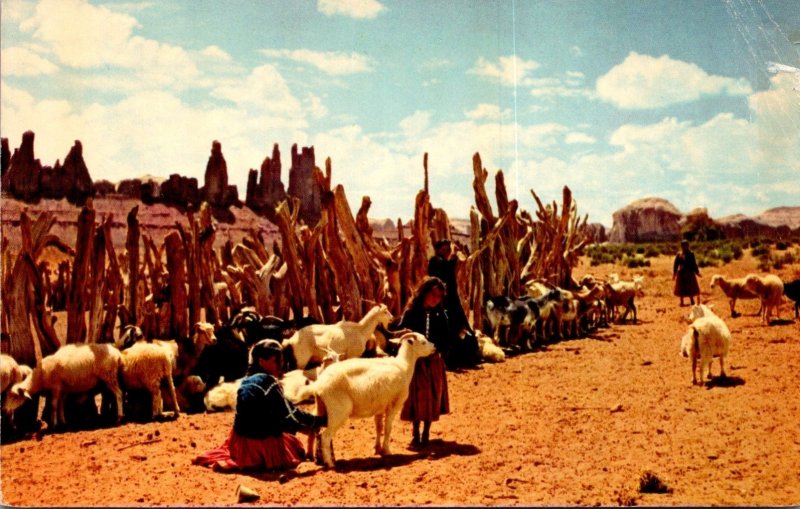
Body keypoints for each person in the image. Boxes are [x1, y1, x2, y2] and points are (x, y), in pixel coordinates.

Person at [192, 339, 326, 472]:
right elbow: (292, 414)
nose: (280, 365)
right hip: (259, 446)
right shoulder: (270, 384)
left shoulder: (246, 381)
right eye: (276, 361)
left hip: (239, 443)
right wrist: (318, 421)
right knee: (295, 446)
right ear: (262, 362)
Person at [397, 276, 451, 449]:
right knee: (416, 397)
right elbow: (403, 333)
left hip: (433, 361)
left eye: (439, 296)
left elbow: (446, 337)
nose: (436, 299)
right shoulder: (412, 312)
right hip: (416, 362)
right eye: (433, 295)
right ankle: (415, 434)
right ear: (425, 292)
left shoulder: (440, 314)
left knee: (432, 396)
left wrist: (439, 351)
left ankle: (426, 433)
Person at [427, 239, 480, 368]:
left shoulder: (442, 262)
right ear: (438, 250)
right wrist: (454, 257)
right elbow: (445, 270)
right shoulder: (435, 261)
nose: (447, 252)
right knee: (447, 331)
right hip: (441, 303)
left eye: (448, 249)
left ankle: (465, 357)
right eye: (444, 249)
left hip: (452, 302)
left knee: (461, 329)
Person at [673, 239, 701, 306]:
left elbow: (694, 263)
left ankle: (692, 300)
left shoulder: (691, 254)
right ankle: (682, 302)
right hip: (681, 273)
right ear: (681, 246)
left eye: (686, 245)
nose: (684, 247)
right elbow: (676, 264)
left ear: (688, 246)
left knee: (690, 287)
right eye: (683, 246)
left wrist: (697, 272)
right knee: (681, 288)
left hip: (689, 273)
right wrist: (674, 273)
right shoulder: (679, 254)